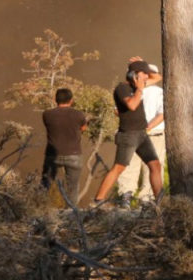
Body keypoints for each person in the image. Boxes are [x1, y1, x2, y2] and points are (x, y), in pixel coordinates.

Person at [92, 60, 163, 207]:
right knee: (119, 167)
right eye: (143, 74)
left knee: (155, 165)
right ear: (133, 75)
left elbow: (157, 78)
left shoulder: (138, 85)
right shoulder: (122, 88)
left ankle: (160, 202)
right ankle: (98, 200)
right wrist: (139, 89)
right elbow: (131, 105)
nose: (146, 77)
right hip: (128, 135)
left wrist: (142, 63)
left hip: (142, 134)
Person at [116, 58, 165, 205]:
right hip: (154, 133)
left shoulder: (128, 90)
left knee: (128, 165)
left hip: (133, 132)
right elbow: (163, 114)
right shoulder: (158, 92)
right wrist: (148, 127)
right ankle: (147, 198)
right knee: (153, 167)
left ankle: (126, 195)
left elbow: (117, 111)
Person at [41, 87, 88, 207]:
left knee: (46, 183)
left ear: (55, 100)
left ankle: (42, 209)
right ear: (71, 100)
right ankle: (71, 214)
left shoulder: (47, 114)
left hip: (53, 155)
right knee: (73, 187)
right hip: (74, 154)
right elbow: (83, 128)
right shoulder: (79, 115)